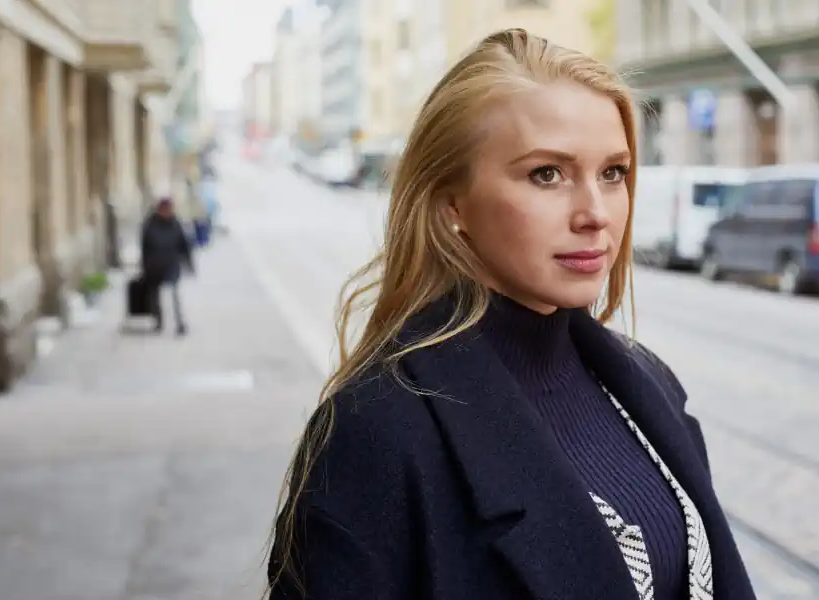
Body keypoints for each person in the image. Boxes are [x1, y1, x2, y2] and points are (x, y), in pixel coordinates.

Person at [266, 29, 757, 600]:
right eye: (546, 174)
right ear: (453, 204)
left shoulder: (649, 384)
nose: (595, 214)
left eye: (613, 173)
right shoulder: (375, 429)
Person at [139, 198, 193, 336]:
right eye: (165, 209)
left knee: (174, 294)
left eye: (170, 209)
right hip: (154, 266)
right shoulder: (150, 224)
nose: (168, 212)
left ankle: (179, 323)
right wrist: (144, 266)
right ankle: (159, 321)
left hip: (171, 264)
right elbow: (144, 247)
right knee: (154, 295)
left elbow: (184, 244)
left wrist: (189, 263)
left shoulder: (175, 224)